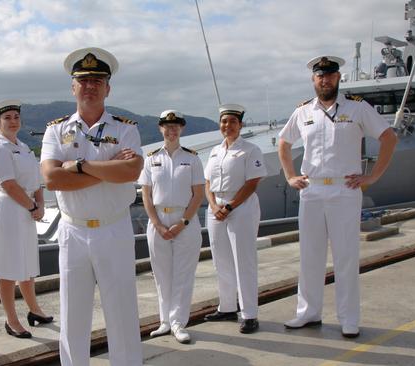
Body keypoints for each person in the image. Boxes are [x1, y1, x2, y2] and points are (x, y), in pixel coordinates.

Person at [278, 56, 398, 338]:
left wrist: (373, 177)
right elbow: (284, 142)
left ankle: (348, 318)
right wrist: (289, 176)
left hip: (345, 190)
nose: (325, 80)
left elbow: (389, 137)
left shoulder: (357, 108)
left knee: (345, 256)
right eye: (320, 76)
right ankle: (308, 312)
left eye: (330, 75)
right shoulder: (303, 112)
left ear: (338, 78)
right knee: (310, 256)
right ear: (313, 80)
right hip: (311, 190)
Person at [40, 47, 144, 366]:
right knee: (73, 312)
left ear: (107, 88)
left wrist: (78, 165)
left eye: (97, 80)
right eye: (83, 80)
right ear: (73, 87)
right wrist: (105, 168)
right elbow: (52, 178)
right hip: (73, 231)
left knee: (122, 309)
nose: (90, 86)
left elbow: (131, 171)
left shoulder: (125, 128)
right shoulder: (56, 129)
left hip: (114, 228)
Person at [0, 99, 53, 339]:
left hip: (27, 209)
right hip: (9, 210)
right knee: (9, 268)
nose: (13, 122)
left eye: (16, 117)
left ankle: (35, 310)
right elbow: (9, 184)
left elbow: (37, 180)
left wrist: (40, 204)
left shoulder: (24, 147)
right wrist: (33, 206)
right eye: (7, 118)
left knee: (27, 265)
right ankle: (11, 320)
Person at [138, 110, 204, 343]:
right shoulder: (151, 158)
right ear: (160, 129)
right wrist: (156, 223)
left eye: (176, 126)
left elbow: (198, 194)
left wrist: (183, 222)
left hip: (185, 220)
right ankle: (164, 321)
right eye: (167, 126)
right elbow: (146, 194)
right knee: (161, 274)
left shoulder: (192, 158)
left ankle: (178, 322)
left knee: (183, 274)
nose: (171, 130)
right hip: (158, 220)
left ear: (181, 129)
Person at [202, 104, 266, 334]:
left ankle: (249, 314)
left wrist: (229, 206)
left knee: (243, 261)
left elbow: (252, 183)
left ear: (240, 124)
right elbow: (207, 182)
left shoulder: (250, 150)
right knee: (221, 261)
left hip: (240, 208)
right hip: (215, 207)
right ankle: (227, 307)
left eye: (232, 122)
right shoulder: (215, 151)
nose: (227, 126)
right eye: (224, 122)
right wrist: (213, 205)